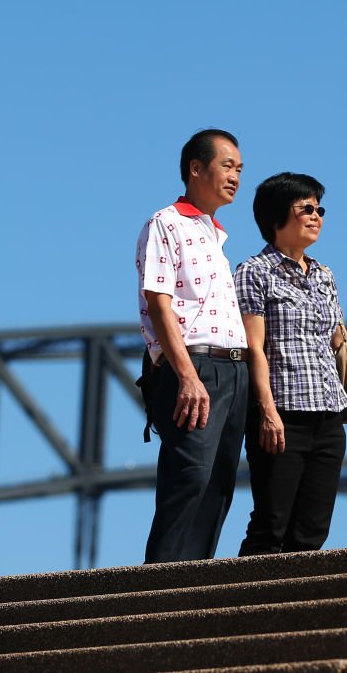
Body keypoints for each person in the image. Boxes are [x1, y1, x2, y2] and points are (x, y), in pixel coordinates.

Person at [234, 172, 347, 555]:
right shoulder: (254, 273)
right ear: (276, 219)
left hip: (328, 417)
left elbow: (340, 340)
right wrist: (267, 412)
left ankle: (291, 611)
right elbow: (254, 347)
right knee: (271, 524)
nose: (316, 216)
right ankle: (241, 609)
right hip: (282, 416)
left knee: (312, 531)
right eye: (305, 208)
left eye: (319, 209)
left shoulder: (324, 275)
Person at [136, 129, 250, 562]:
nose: (235, 176)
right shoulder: (166, 223)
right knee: (189, 479)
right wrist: (185, 375)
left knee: (218, 486)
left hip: (233, 370)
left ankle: (194, 590)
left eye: (240, 169)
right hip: (197, 367)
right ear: (195, 169)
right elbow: (159, 303)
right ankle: (157, 596)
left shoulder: (216, 235)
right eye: (227, 166)